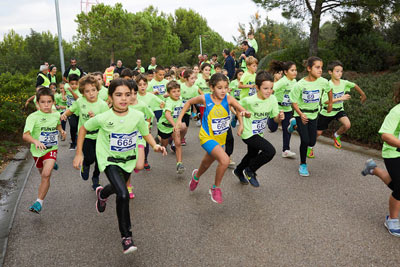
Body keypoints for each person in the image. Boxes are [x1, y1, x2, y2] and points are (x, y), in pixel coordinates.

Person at [73, 78, 166, 254]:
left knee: (116, 187)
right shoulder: (103, 118)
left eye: (127, 95)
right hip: (109, 160)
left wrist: (155, 146)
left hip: (128, 160)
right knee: (123, 193)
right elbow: (83, 128)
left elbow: (145, 134)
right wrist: (79, 153)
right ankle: (126, 237)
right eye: (118, 95)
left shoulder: (137, 116)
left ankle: (103, 193)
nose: (123, 99)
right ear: (110, 97)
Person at [175, 73, 250, 204]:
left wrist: (243, 120)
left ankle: (196, 176)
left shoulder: (229, 99)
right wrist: (179, 120)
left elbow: (241, 110)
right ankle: (215, 188)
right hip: (206, 137)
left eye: (225, 87)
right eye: (219, 87)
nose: (223, 90)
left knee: (206, 163)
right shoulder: (205, 98)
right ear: (212, 87)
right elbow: (189, 102)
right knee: (225, 161)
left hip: (220, 139)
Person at [361, 83, 400, 236]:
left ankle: (373, 169)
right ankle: (392, 219)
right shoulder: (396, 111)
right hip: (394, 152)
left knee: (397, 185)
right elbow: (385, 135)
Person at [234, 71, 283, 186]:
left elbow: (275, 119)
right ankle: (250, 170)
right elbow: (236, 107)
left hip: (258, 132)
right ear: (257, 88)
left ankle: (238, 170)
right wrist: (241, 124)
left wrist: (280, 118)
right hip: (248, 133)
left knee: (252, 155)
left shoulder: (273, 99)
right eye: (265, 88)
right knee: (270, 151)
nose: (269, 91)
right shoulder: (249, 100)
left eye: (271, 88)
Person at [61, 74, 109, 190]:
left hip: (99, 136)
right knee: (90, 157)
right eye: (87, 91)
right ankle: (86, 165)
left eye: (93, 90)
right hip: (85, 136)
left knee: (99, 160)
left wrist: (96, 117)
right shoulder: (80, 101)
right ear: (82, 92)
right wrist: (64, 115)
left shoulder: (103, 105)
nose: (91, 93)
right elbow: (71, 110)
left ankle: (95, 179)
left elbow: (107, 121)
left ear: (98, 90)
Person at [23, 87, 66, 213]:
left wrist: (61, 130)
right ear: (37, 103)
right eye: (43, 102)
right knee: (42, 173)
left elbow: (57, 124)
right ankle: (51, 163)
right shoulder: (33, 117)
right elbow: (25, 135)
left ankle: (39, 202)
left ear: (53, 102)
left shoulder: (56, 114)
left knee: (46, 174)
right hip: (37, 152)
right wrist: (35, 141)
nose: (46, 105)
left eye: (49, 102)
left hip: (51, 149)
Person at [288, 56, 333, 176]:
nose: (320, 70)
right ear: (309, 68)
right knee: (305, 140)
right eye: (317, 67)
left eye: (321, 68)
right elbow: (294, 102)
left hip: (314, 114)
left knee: (312, 142)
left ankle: (294, 126)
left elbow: (329, 90)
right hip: (301, 114)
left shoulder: (323, 81)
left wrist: (330, 103)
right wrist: (301, 114)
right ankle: (303, 164)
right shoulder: (300, 85)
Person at [314, 60, 367, 151]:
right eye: (337, 71)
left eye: (341, 71)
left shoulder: (344, 82)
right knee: (318, 133)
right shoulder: (328, 85)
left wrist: (363, 94)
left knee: (347, 125)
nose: (340, 73)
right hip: (327, 112)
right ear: (330, 72)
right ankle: (310, 146)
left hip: (339, 110)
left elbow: (354, 85)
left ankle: (336, 135)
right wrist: (340, 98)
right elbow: (325, 101)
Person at [128, 79, 154, 197]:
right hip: (127, 139)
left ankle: (139, 164)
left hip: (139, 137)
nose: (132, 97)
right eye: (129, 94)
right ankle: (128, 187)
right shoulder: (123, 105)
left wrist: (147, 124)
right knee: (127, 166)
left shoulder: (142, 105)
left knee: (139, 165)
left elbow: (150, 115)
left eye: (135, 93)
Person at [267, 61, 298, 158]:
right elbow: (271, 89)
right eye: (292, 70)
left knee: (287, 129)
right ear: (285, 72)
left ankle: (286, 150)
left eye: (295, 70)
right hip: (277, 107)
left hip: (287, 108)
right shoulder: (282, 81)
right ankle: (269, 119)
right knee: (273, 128)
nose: (295, 72)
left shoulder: (294, 81)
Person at [136, 74, 165, 170]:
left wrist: (162, 105)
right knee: (134, 143)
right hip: (134, 125)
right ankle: (136, 160)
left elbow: (161, 103)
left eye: (144, 84)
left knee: (146, 144)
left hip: (147, 124)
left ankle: (145, 160)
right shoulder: (134, 96)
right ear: (136, 86)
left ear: (147, 85)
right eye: (140, 85)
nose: (142, 86)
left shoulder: (150, 96)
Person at [157, 80, 186, 174]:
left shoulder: (180, 98)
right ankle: (159, 138)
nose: (177, 93)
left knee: (178, 143)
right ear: (169, 93)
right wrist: (175, 125)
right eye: (173, 92)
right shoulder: (169, 102)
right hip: (164, 126)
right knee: (163, 146)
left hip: (174, 127)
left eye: (178, 91)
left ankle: (179, 164)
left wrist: (177, 126)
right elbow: (167, 115)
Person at [180, 69, 199, 145]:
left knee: (185, 128)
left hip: (188, 111)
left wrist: (194, 111)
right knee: (182, 126)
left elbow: (195, 101)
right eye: (192, 78)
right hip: (179, 111)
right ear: (185, 79)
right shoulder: (180, 87)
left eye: (194, 78)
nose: (194, 80)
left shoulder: (195, 88)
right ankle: (177, 140)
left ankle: (181, 138)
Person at [65, 74, 82, 150]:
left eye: (76, 84)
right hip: (70, 111)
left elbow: (78, 99)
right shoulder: (66, 86)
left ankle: (79, 141)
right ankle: (73, 142)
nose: (74, 86)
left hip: (79, 111)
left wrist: (71, 91)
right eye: (72, 84)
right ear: (68, 83)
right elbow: (63, 88)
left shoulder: (79, 90)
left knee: (79, 127)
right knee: (73, 126)